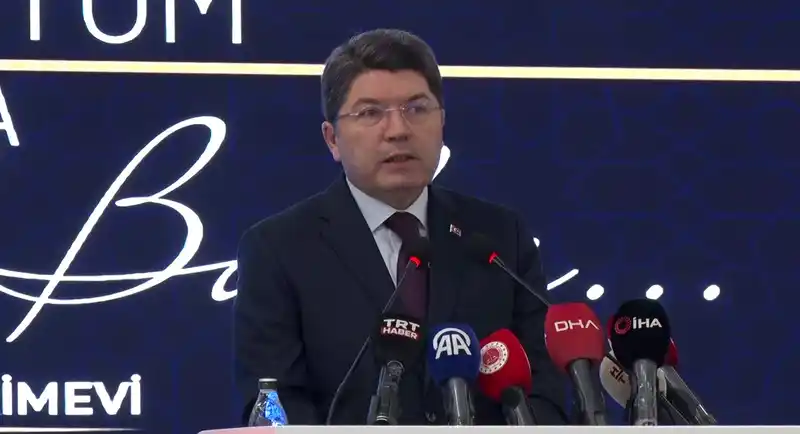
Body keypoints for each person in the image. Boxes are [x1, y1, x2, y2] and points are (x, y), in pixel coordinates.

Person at [233, 28, 568, 425]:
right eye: (370, 113)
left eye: (417, 109)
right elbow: (276, 405)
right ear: (332, 139)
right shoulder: (279, 249)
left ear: (442, 122)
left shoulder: (498, 236)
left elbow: (545, 392)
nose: (398, 130)